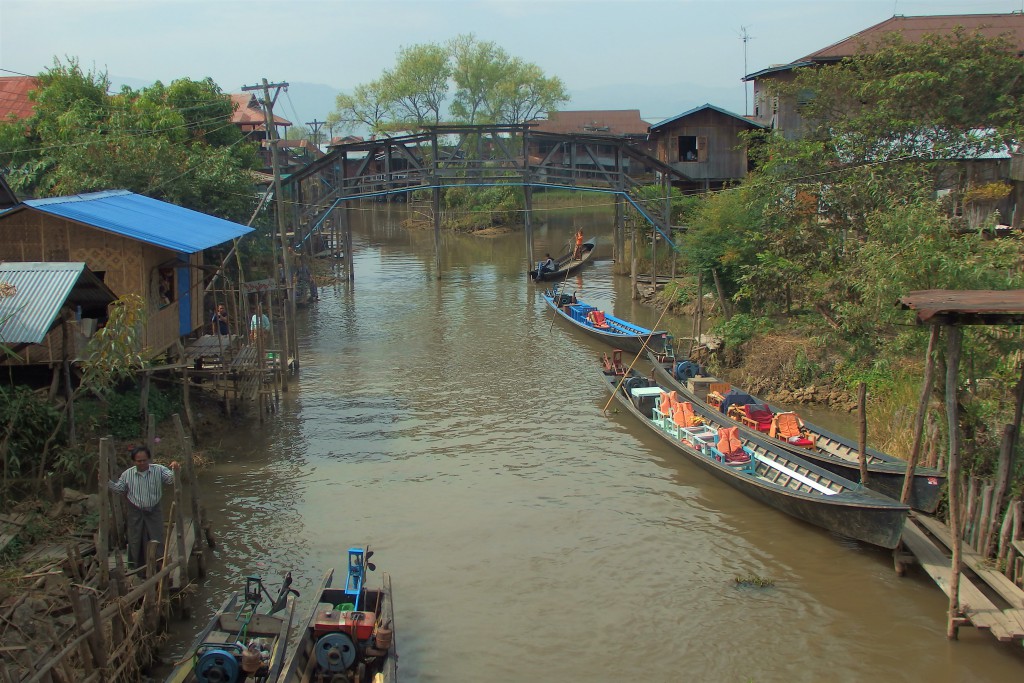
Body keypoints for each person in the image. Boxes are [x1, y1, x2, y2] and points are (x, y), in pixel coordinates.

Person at [108, 446, 179, 570]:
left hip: (154, 509)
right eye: (138, 461)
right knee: (135, 539)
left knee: (157, 537)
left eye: (144, 460)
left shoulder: (158, 470)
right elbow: (119, 489)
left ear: (149, 459)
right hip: (135, 510)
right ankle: (136, 568)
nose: (142, 463)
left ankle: (159, 566)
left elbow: (170, 479)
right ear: (134, 461)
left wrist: (175, 468)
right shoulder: (127, 474)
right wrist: (106, 482)